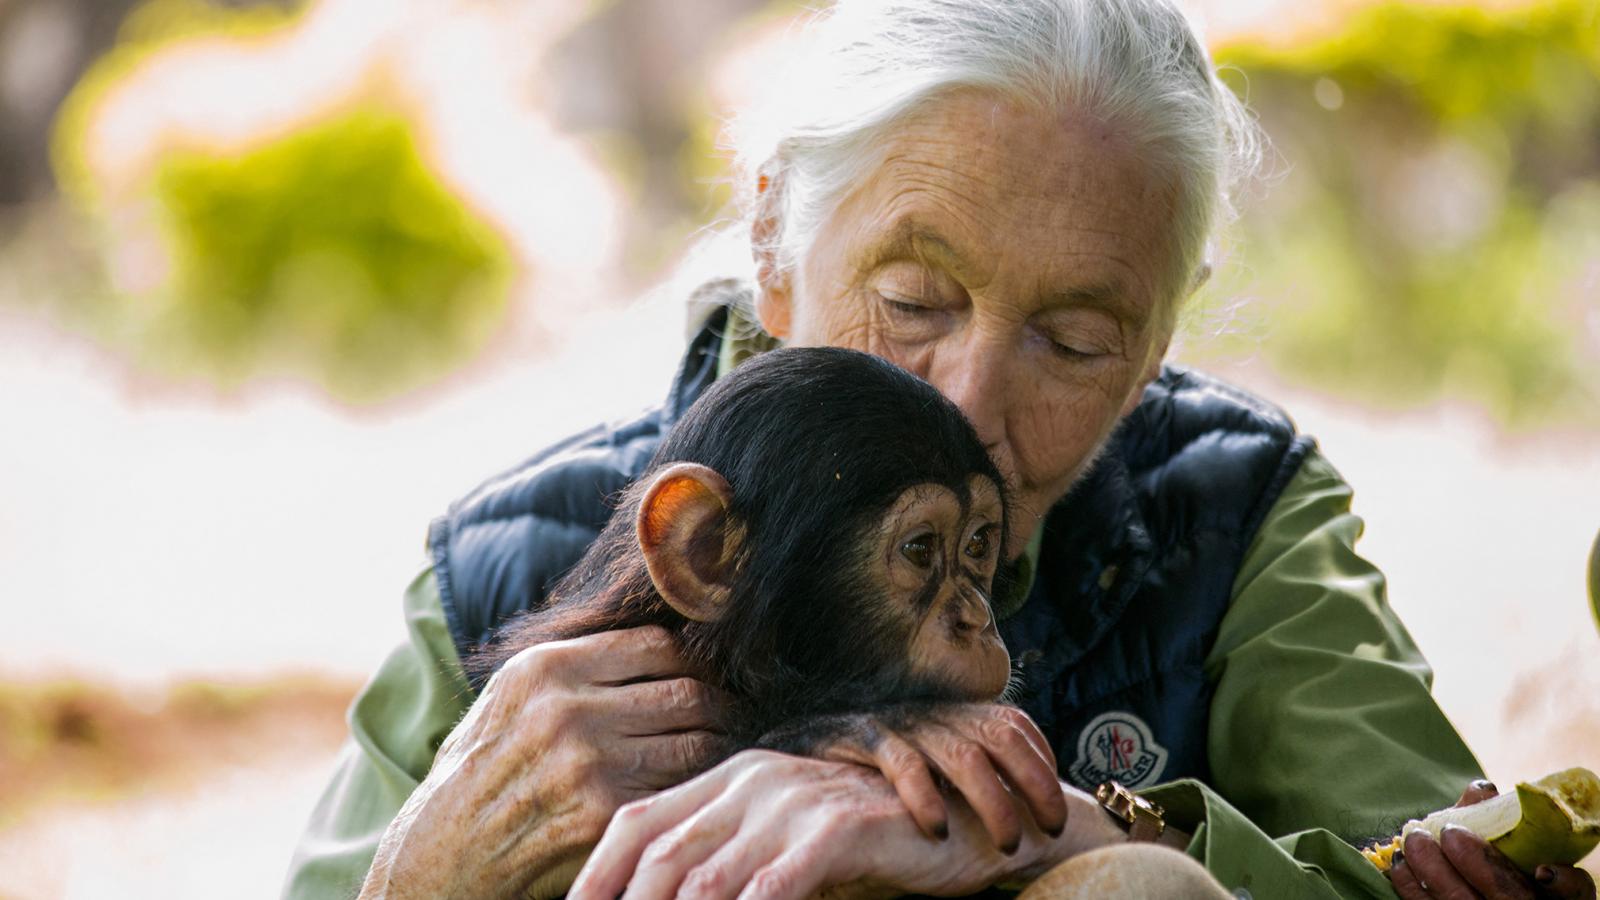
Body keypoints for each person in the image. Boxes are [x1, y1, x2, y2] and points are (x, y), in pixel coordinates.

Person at [283, 1, 1597, 897]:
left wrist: (1076, 833)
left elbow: (1451, 874)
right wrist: (434, 862)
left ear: (1160, 345)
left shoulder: (1232, 508)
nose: (968, 406)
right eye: (913, 302)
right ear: (774, 242)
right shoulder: (516, 561)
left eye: (1077, 341)